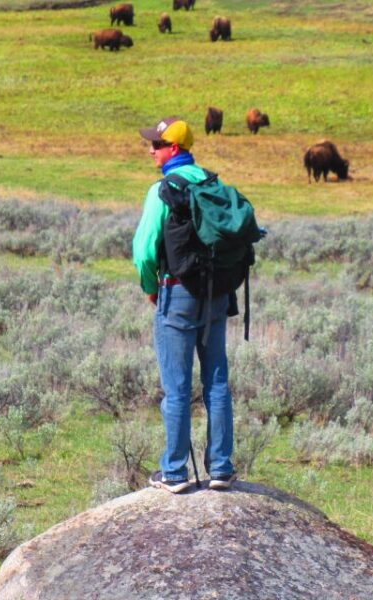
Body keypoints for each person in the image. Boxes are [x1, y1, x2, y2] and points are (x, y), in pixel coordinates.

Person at [133, 116, 237, 493]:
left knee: (176, 387)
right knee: (217, 382)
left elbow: (144, 250)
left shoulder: (162, 189)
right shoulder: (213, 183)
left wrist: (151, 288)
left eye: (156, 145)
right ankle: (221, 468)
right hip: (216, 294)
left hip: (176, 293)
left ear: (173, 148)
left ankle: (175, 472)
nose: (151, 150)